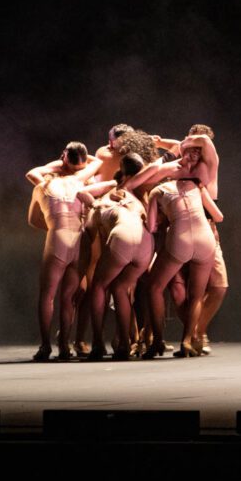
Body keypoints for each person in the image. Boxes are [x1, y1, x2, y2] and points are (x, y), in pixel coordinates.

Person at [26, 142, 110, 361]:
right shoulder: (79, 182)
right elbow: (98, 162)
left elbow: (33, 220)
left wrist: (53, 226)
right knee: (69, 297)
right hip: (79, 238)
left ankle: (45, 346)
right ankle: (64, 346)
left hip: (58, 237)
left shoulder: (41, 186)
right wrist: (73, 163)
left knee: (47, 295)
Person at [144, 165, 224, 359]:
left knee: (154, 287)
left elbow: (151, 226)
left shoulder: (158, 190)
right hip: (206, 238)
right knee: (196, 295)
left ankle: (156, 342)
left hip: (181, 237)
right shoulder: (196, 186)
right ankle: (188, 340)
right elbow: (219, 216)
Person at [80, 153, 154, 360]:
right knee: (121, 288)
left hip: (123, 236)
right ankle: (125, 343)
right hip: (146, 243)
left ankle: (96, 343)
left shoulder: (102, 202)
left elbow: (88, 231)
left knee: (98, 286)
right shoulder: (137, 200)